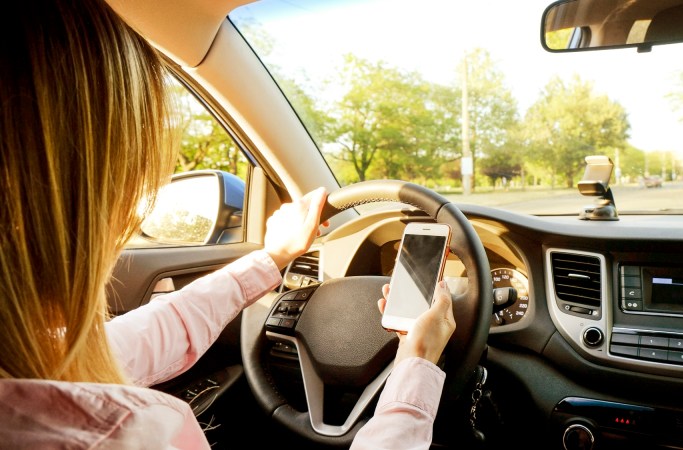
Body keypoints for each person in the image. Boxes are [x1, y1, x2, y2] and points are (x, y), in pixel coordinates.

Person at [0, 0, 455, 449]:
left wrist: (273, 257)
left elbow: (152, 333)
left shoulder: (35, 363)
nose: (133, 213)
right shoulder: (120, 436)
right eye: (129, 181)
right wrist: (416, 362)